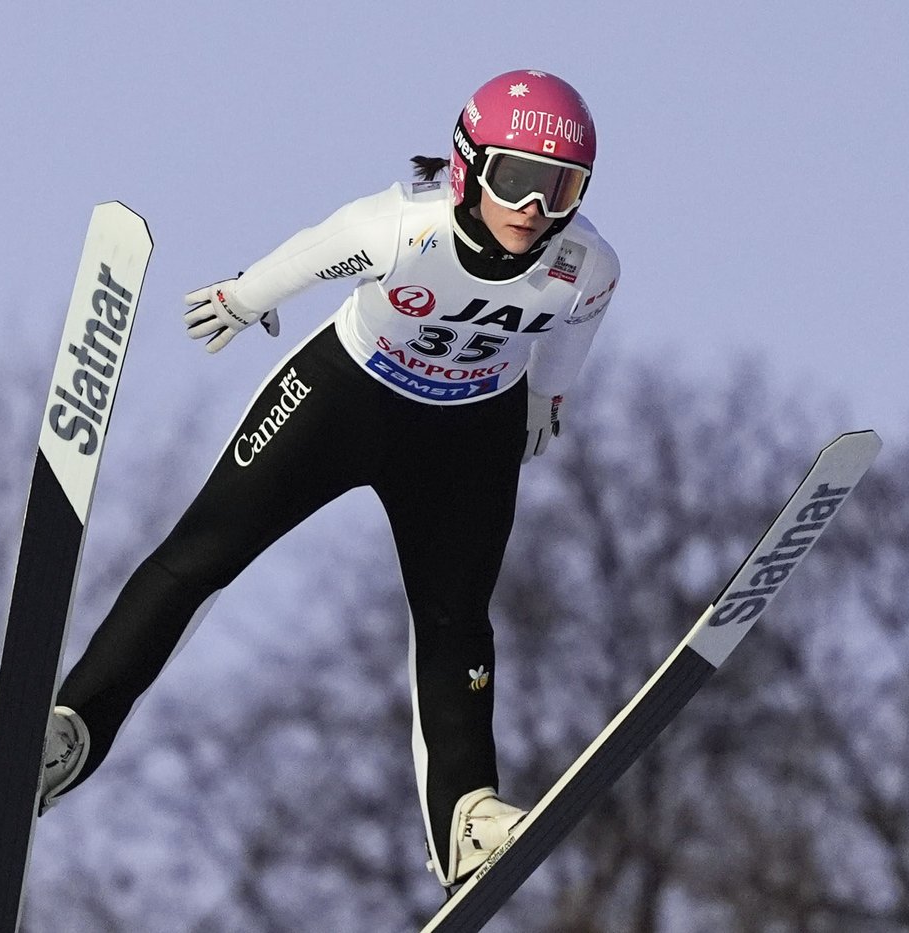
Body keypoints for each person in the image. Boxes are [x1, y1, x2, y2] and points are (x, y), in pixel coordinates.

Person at [39, 68, 620, 891]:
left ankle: (467, 818)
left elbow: (580, 320)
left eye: (560, 187)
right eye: (516, 179)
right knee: (200, 556)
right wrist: (243, 298)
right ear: (467, 166)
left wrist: (548, 395)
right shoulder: (403, 226)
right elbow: (314, 252)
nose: (535, 207)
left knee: (457, 620)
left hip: (467, 435)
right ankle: (73, 729)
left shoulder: (585, 262)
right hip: (345, 401)